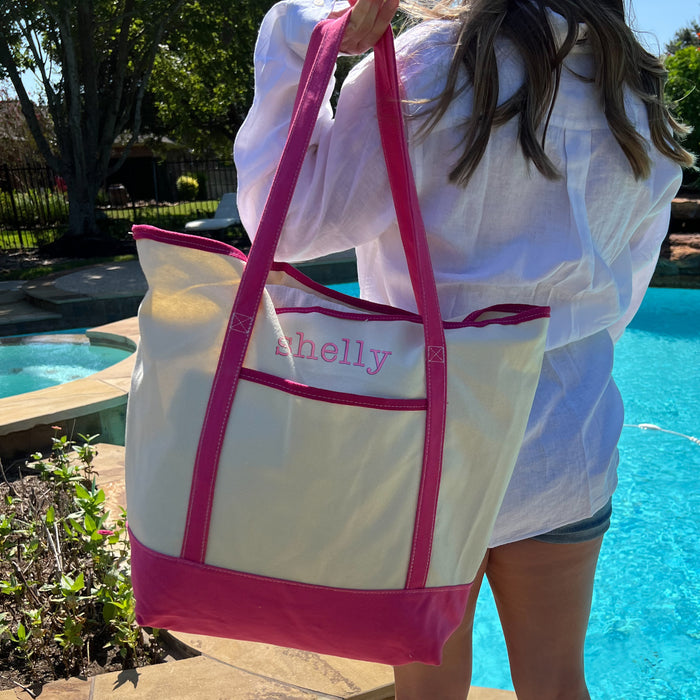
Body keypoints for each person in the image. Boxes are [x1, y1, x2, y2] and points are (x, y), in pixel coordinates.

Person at [233, 1, 694, 698]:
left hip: (423, 444)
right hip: (566, 435)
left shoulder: (430, 67)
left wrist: (294, 34)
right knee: (558, 683)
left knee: (429, 692)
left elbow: (289, 224)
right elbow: (623, 292)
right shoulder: (635, 95)